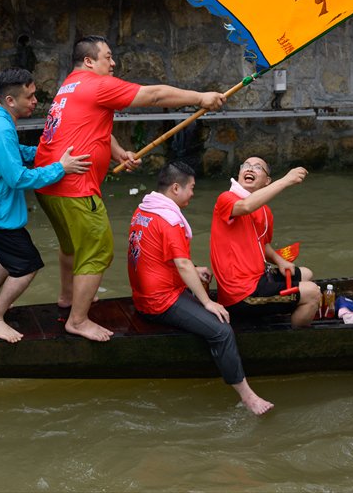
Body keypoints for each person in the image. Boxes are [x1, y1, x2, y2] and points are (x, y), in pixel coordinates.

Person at [33, 35, 226, 342]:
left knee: (72, 246)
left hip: (48, 183)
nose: (113, 63)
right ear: (88, 61)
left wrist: (118, 151)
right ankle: (78, 320)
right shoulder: (98, 84)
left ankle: (68, 297)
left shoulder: (70, 86)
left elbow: (85, 124)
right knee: (99, 250)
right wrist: (200, 97)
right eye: (107, 57)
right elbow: (155, 95)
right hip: (74, 186)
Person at [0, 68, 90, 343]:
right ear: (11, 100)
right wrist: (60, 168)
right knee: (27, 265)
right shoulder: (1, 127)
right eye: (30, 96)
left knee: (11, 258)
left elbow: (11, 155)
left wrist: (44, 155)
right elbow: (17, 177)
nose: (36, 100)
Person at [127, 162, 274, 415]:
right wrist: (207, 302)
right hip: (159, 301)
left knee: (203, 278)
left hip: (147, 292)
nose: (193, 194)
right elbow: (181, 263)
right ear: (175, 188)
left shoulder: (144, 209)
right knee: (222, 330)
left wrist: (194, 270)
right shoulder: (169, 220)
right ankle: (247, 396)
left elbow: (160, 256)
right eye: (191, 188)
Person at [210, 157, 320, 327]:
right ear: (239, 173)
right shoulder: (226, 198)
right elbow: (246, 206)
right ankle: (295, 340)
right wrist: (285, 180)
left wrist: (280, 261)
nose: (250, 169)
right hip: (241, 293)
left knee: (306, 273)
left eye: (257, 167)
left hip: (259, 278)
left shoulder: (265, 211)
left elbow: (263, 245)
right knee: (312, 293)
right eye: (246, 166)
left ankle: (278, 312)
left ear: (267, 181)